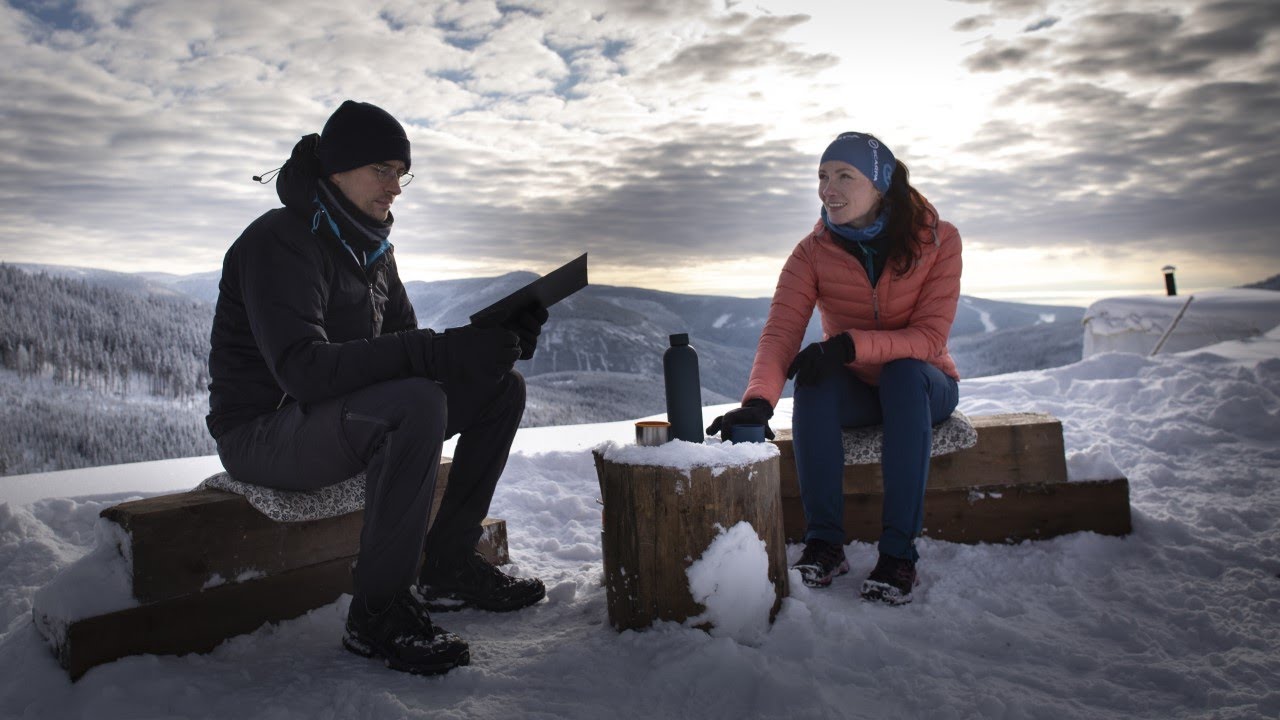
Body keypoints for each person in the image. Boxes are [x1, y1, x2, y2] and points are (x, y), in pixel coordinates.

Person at [206, 100, 549, 675]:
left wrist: (487, 349)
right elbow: (303, 371)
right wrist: (435, 353)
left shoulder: (372, 250)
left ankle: (446, 566)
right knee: (415, 404)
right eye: (382, 171)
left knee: (502, 388)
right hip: (263, 432)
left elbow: (413, 352)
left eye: (401, 173)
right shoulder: (279, 240)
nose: (396, 188)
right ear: (337, 170)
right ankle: (378, 613)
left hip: (331, 423)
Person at [707, 132, 961, 605]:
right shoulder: (812, 252)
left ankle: (898, 554)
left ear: (880, 185)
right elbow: (780, 332)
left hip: (926, 384)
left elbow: (930, 339)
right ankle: (824, 544)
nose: (829, 188)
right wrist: (759, 401)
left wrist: (848, 345)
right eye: (823, 176)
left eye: (845, 176)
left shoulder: (938, 240)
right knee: (815, 381)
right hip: (861, 391)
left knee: (904, 373)